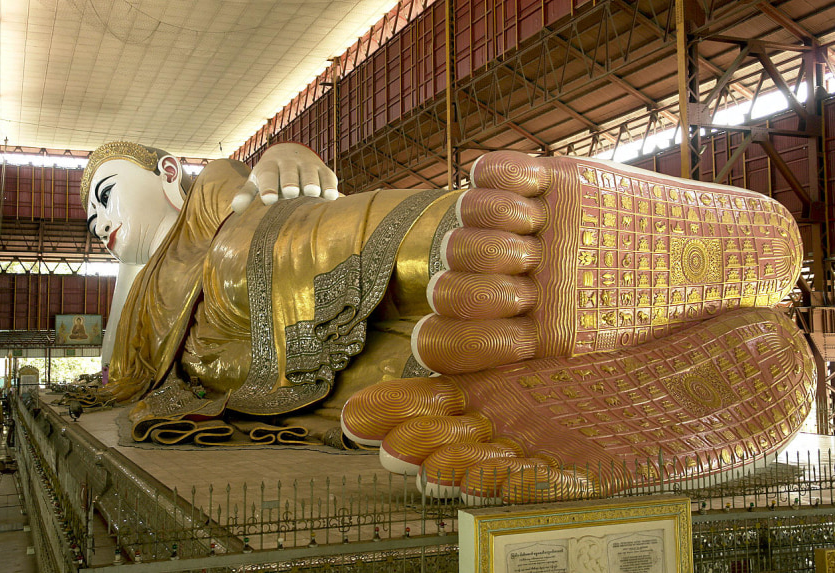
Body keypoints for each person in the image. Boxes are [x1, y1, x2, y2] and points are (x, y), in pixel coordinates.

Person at [85, 142, 811, 497]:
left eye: (106, 196)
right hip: (253, 378)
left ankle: (479, 238)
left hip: (248, 260)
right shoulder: (142, 306)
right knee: (412, 382)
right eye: (91, 222)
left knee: (266, 256)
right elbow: (129, 381)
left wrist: (282, 156)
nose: (99, 224)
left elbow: (252, 185)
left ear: (168, 173)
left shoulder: (210, 198)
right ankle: (543, 368)